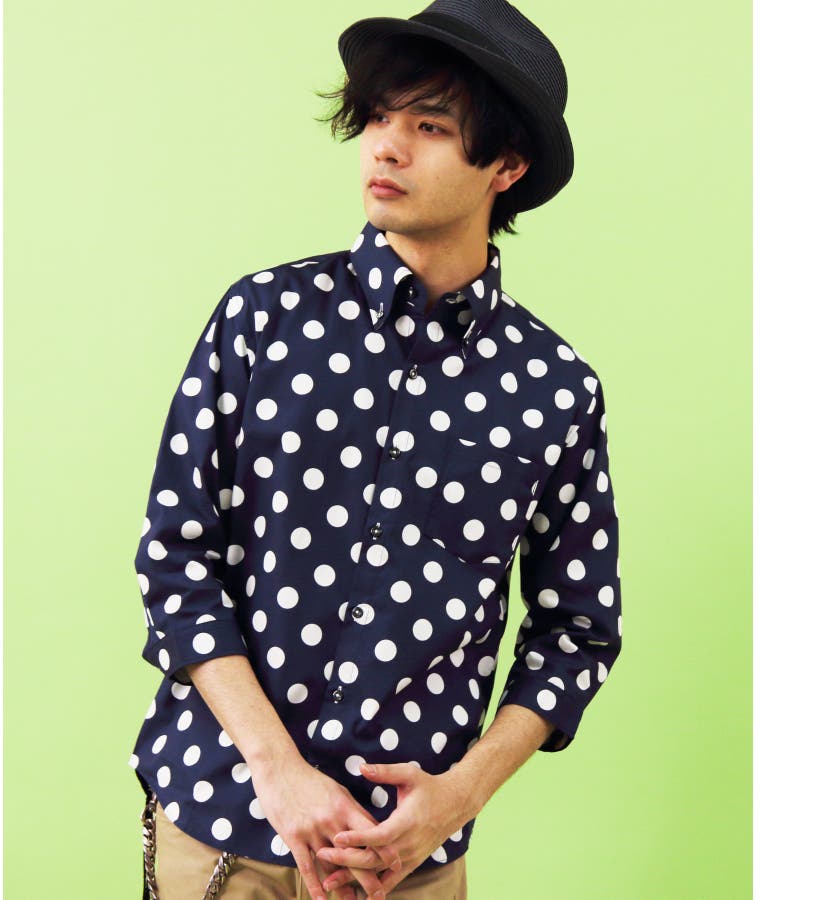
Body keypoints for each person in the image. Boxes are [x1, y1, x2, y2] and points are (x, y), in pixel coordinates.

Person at [128, 1, 623, 898]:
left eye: (429, 127)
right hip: (224, 828)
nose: (386, 148)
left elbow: (577, 632)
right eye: (379, 118)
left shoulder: (555, 388)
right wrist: (278, 772)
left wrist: (459, 796)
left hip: (408, 864)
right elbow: (175, 557)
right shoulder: (262, 319)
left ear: (506, 165)